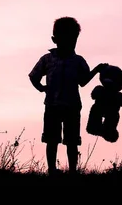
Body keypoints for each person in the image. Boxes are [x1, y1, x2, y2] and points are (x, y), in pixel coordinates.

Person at [29, 16, 107, 175]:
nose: (70, 43)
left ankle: (73, 170)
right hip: (52, 105)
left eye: (73, 39)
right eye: (66, 38)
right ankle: (52, 169)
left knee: (72, 141)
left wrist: (97, 69)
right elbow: (34, 76)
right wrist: (42, 88)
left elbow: (83, 81)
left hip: (72, 106)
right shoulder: (47, 59)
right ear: (55, 39)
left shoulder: (78, 61)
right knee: (52, 140)